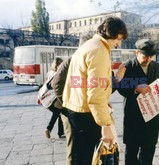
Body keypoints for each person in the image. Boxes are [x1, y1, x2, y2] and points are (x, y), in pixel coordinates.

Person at [62, 17, 128, 164]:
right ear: (113, 33)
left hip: (76, 108)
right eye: (119, 38)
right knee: (86, 157)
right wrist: (106, 125)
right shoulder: (99, 50)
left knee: (79, 156)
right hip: (86, 113)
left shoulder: (88, 46)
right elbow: (96, 93)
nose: (119, 43)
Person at [116, 39, 159, 165]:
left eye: (150, 56)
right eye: (145, 56)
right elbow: (119, 86)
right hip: (134, 117)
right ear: (136, 52)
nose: (148, 59)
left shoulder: (157, 66)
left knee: (148, 151)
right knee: (131, 152)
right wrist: (135, 88)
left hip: (152, 117)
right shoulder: (126, 66)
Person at [50, 32, 93, 165]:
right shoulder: (71, 60)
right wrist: (67, 103)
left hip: (84, 111)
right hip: (71, 111)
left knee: (84, 146)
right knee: (73, 145)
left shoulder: (87, 60)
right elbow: (56, 83)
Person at [44, 57, 64, 139]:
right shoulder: (56, 74)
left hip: (48, 98)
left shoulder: (49, 72)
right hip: (54, 98)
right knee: (59, 113)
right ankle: (50, 129)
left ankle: (59, 132)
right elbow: (53, 85)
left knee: (58, 113)